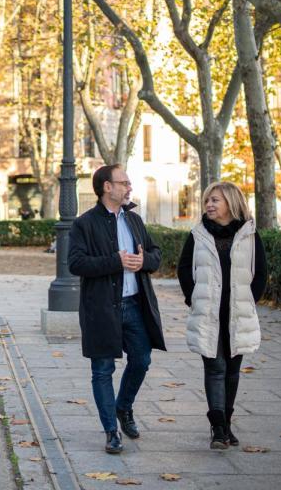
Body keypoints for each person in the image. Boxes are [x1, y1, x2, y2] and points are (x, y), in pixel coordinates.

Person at [69, 164, 166, 454]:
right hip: (101, 308)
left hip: (135, 305)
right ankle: (111, 431)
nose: (129, 187)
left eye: (128, 182)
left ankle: (123, 407)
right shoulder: (84, 224)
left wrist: (143, 261)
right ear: (106, 187)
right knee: (102, 370)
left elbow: (155, 254)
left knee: (142, 360)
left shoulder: (133, 220)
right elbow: (76, 264)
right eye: (123, 182)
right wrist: (116, 261)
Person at [176, 182, 267, 450]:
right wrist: (193, 297)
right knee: (215, 368)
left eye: (215, 200)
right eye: (207, 201)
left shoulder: (250, 234)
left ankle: (226, 422)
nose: (209, 205)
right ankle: (217, 428)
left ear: (230, 202)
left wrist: (249, 301)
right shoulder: (198, 234)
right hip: (208, 313)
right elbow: (183, 268)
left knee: (232, 371)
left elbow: (260, 272)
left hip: (237, 314)